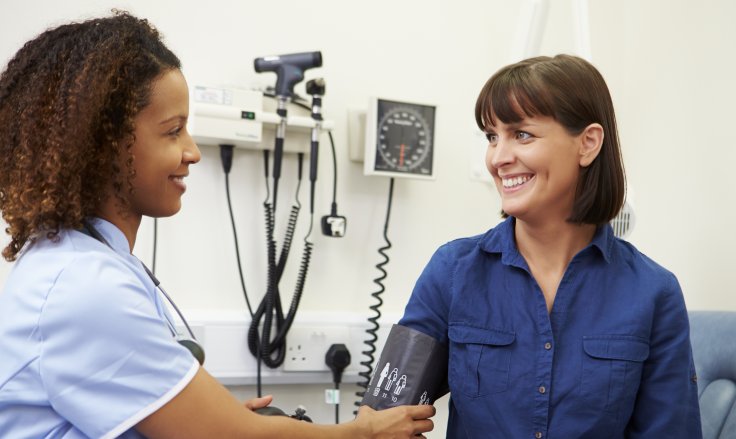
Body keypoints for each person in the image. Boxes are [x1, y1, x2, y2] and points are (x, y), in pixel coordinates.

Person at [0, 11, 434, 439]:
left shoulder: (87, 262)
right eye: (173, 131)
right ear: (105, 144)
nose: (192, 152)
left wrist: (193, 413)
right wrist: (363, 433)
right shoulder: (83, 284)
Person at [398, 55, 702, 438]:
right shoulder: (452, 271)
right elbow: (385, 417)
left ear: (588, 143)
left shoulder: (654, 292)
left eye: (521, 134)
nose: (497, 158)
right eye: (492, 137)